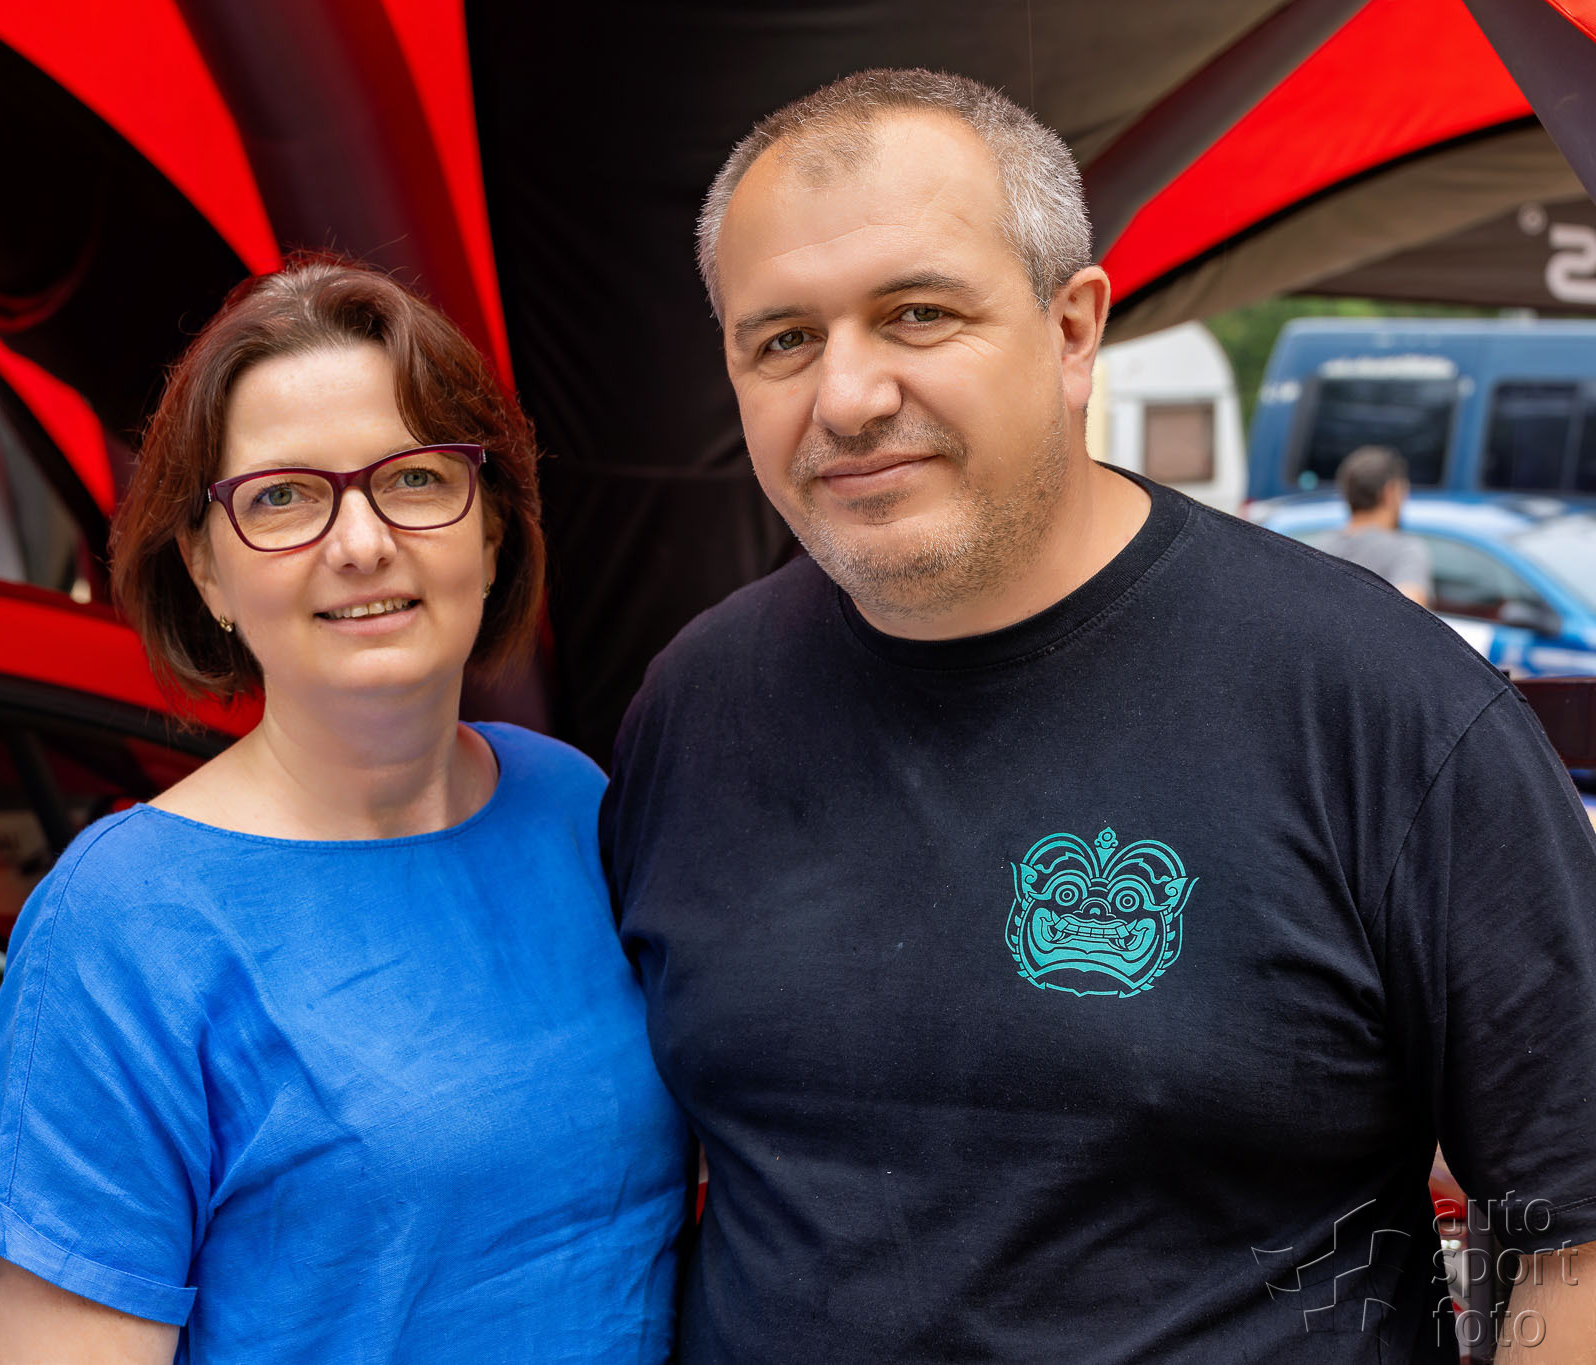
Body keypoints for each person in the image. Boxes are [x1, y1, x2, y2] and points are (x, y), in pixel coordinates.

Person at [601, 68, 1596, 1363]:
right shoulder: (692, 705)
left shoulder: (1375, 703)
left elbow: (1574, 1229)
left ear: (1073, 332)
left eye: (917, 313)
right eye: (782, 340)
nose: (845, 396)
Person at [0, 258, 688, 1364]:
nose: (360, 543)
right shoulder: (117, 927)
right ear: (205, 570)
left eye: (414, 478)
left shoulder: (573, 803)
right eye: (283, 498)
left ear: (492, 528)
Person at [1326, 444, 1431, 604]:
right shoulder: (1403, 551)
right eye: (1403, 491)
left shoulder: (1319, 548)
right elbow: (1410, 610)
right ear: (1390, 492)